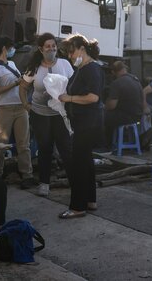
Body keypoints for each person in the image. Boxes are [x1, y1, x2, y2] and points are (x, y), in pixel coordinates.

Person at [20, 32, 74, 197]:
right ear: (41, 49)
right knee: (44, 149)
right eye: (47, 47)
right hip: (40, 114)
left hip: (60, 114)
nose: (51, 49)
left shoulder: (65, 64)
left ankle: (74, 181)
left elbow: (73, 84)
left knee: (66, 148)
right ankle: (44, 183)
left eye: (53, 46)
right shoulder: (34, 68)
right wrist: (26, 105)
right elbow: (23, 87)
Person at [57, 34, 104, 219]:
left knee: (78, 164)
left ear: (82, 49)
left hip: (88, 122)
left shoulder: (91, 69)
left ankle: (77, 206)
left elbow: (93, 97)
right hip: (84, 121)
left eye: (71, 51)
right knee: (85, 162)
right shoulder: (82, 68)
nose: (70, 56)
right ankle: (90, 200)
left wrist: (69, 98)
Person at [0, 36, 35, 187]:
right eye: (11, 47)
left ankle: (27, 174)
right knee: (0, 143)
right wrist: (16, 82)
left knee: (24, 144)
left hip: (20, 107)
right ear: (4, 48)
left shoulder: (13, 63)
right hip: (4, 109)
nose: (13, 50)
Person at [103, 61, 146, 151]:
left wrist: (105, 105)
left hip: (126, 117)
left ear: (113, 72)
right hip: (138, 116)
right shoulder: (135, 79)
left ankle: (106, 146)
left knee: (102, 116)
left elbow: (112, 106)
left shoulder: (117, 83)